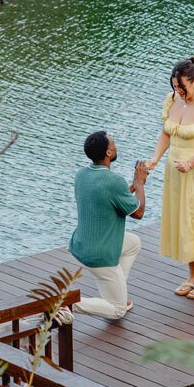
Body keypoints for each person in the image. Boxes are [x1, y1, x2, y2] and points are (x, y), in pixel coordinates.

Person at [146, 57, 194, 300]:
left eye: (181, 87)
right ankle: (192, 276)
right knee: (185, 221)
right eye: (174, 87)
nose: (177, 92)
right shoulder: (172, 101)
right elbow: (166, 133)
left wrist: (191, 163)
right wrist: (155, 159)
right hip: (176, 171)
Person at [69, 131, 149, 319]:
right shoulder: (113, 181)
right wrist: (139, 183)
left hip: (81, 245)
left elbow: (112, 197)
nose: (116, 146)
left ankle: (115, 291)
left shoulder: (82, 175)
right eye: (113, 144)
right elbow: (138, 213)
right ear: (108, 153)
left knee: (133, 242)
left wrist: (135, 185)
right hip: (100, 255)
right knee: (117, 311)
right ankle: (66, 303)